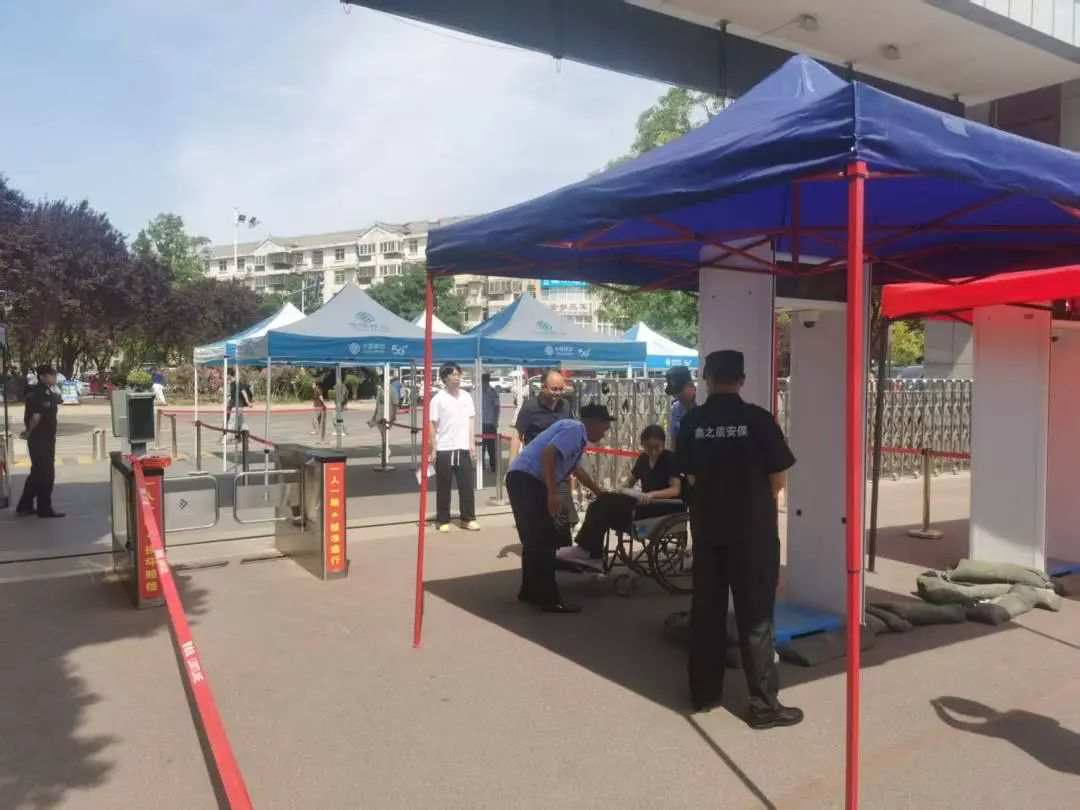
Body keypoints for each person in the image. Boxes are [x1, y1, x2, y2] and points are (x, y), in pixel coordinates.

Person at [676, 350, 801, 729]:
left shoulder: (692, 421)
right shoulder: (758, 420)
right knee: (756, 617)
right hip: (753, 533)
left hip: (708, 530)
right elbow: (778, 478)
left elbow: (690, 476)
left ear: (706, 379)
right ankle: (764, 706)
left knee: (706, 612)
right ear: (742, 379)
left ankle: (703, 694)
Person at [506, 404, 612, 613]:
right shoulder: (575, 429)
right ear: (594, 423)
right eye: (604, 428)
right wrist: (552, 492)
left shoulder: (576, 435)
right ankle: (549, 598)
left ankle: (530, 591)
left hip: (521, 478)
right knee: (545, 540)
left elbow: (576, 470)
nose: (604, 433)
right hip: (529, 480)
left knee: (533, 540)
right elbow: (549, 454)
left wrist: (599, 492)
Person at [557, 424, 683, 570]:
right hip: (643, 503)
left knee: (605, 504)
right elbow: (629, 482)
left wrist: (652, 494)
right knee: (601, 502)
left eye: (657, 447)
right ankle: (589, 552)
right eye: (649, 447)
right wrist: (620, 490)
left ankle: (589, 552)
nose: (653, 451)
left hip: (661, 506)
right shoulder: (643, 459)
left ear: (664, 444)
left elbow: (675, 489)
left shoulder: (670, 458)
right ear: (642, 444)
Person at [513, 368, 575, 544]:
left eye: (561, 389)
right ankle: (540, 547)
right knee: (539, 510)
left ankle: (563, 549)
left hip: (559, 468)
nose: (557, 393)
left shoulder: (566, 406)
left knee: (562, 510)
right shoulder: (530, 407)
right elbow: (517, 435)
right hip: (535, 469)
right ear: (543, 387)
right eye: (554, 389)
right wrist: (513, 464)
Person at [428, 363, 479, 533]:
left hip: (463, 447)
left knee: (467, 486)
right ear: (445, 378)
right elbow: (432, 425)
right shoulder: (438, 399)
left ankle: (468, 518)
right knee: (444, 486)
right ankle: (443, 519)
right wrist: (433, 448)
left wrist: (471, 444)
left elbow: (471, 420)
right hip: (444, 448)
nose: (457, 378)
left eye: (458, 374)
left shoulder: (466, 397)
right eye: (453, 375)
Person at [16, 364, 64, 518]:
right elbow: (36, 417)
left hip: (45, 438)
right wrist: (28, 432)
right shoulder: (38, 393)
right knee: (46, 475)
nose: (55, 377)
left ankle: (25, 505)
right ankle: (44, 508)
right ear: (43, 377)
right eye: (52, 375)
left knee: (37, 473)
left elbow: (59, 400)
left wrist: (55, 389)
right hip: (40, 439)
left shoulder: (48, 391)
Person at [665, 365, 697, 447]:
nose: (677, 396)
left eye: (679, 392)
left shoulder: (702, 403)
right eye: (674, 393)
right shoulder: (676, 408)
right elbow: (674, 439)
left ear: (691, 385)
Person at [480, 373, 501, 474]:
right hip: (480, 424)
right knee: (481, 447)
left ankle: (493, 467)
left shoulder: (493, 392)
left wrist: (495, 421)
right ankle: (481, 466)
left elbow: (497, 407)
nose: (484, 383)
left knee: (491, 447)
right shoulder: (478, 392)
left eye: (485, 381)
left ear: (487, 381)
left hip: (490, 424)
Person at [226, 369, 253, 435]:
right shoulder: (233, 384)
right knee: (241, 422)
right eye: (238, 374)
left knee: (232, 422)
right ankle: (246, 434)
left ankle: (227, 437)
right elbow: (232, 396)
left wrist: (248, 402)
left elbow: (244, 393)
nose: (239, 376)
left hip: (236, 406)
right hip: (238, 406)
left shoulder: (237, 384)